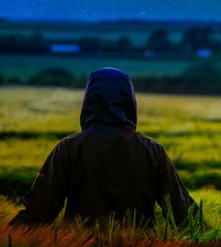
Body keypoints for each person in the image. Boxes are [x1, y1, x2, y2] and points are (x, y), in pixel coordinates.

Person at [9, 67, 196, 228]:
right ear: (129, 101)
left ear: (89, 100)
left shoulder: (69, 148)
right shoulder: (153, 151)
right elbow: (183, 215)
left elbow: (39, 212)